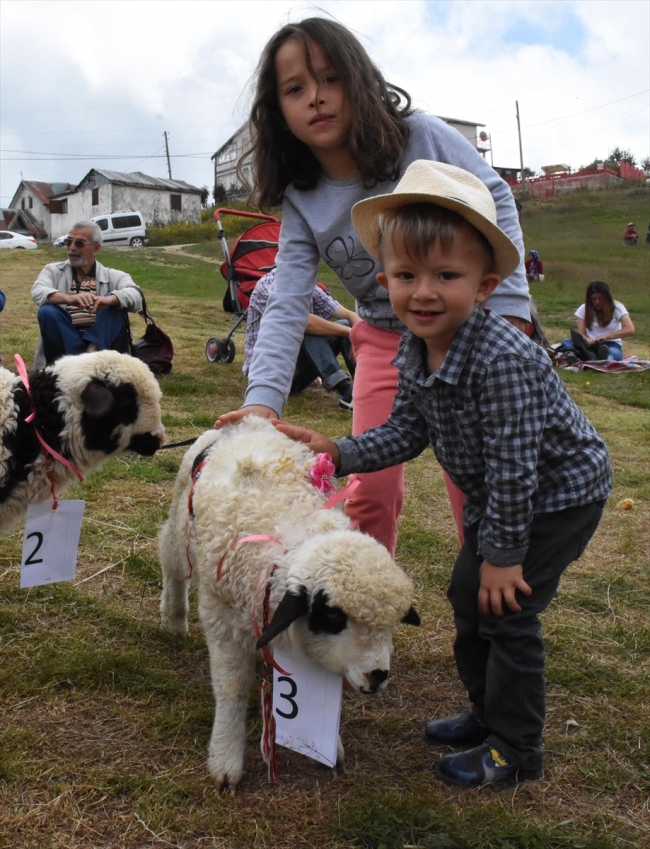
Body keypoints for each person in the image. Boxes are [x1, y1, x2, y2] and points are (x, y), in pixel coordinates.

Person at [274, 161, 612, 787]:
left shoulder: (504, 358)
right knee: (467, 594)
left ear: (484, 287)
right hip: (501, 497)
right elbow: (407, 430)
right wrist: (340, 451)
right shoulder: (413, 343)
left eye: (446, 276)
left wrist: (505, 556)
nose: (423, 292)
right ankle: (487, 714)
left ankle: (516, 749)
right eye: (407, 276)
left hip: (557, 496)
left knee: (507, 608)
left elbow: (516, 468)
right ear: (384, 281)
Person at [215, 17, 531, 556]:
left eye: (330, 78)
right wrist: (263, 402)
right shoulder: (301, 193)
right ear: (278, 111)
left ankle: (492, 620)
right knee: (365, 493)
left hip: (468, 336)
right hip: (385, 342)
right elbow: (287, 297)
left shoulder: (420, 136)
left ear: (359, 80)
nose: (315, 97)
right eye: (295, 88)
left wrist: (508, 309)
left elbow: (495, 194)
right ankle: (360, 618)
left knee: (477, 492)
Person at [31, 220, 143, 369]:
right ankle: (84, 364)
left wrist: (110, 299)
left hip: (103, 344)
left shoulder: (114, 276)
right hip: (66, 339)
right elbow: (38, 290)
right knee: (47, 311)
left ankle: (88, 357)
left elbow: (136, 295)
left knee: (116, 304)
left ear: (96, 248)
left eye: (79, 243)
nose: (71, 248)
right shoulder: (53, 270)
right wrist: (69, 298)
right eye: (68, 242)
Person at [244, 268, 357, 410]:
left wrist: (357, 333)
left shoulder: (305, 282)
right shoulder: (268, 287)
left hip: (294, 366)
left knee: (345, 324)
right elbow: (303, 321)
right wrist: (351, 333)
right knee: (304, 329)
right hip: (270, 375)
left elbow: (347, 313)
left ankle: (364, 386)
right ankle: (346, 392)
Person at [562, 280, 634, 363]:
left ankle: (605, 357)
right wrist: (586, 339)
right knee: (566, 342)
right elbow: (581, 333)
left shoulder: (617, 308)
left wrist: (606, 336)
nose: (597, 302)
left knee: (615, 352)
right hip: (589, 344)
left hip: (610, 344)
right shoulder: (583, 309)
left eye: (600, 298)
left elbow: (630, 329)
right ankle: (570, 355)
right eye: (594, 299)